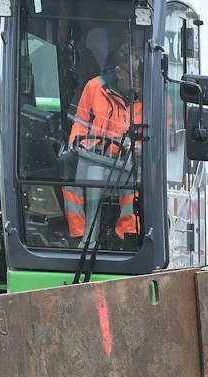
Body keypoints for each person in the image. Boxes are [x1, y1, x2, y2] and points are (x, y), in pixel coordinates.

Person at [64, 40, 147, 244]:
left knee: (131, 177)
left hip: (128, 161)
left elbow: (165, 136)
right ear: (119, 73)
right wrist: (77, 143)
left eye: (141, 76)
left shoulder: (151, 99)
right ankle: (79, 234)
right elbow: (80, 122)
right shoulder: (94, 88)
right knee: (67, 166)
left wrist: (140, 148)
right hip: (95, 156)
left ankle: (126, 236)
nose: (139, 82)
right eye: (135, 76)